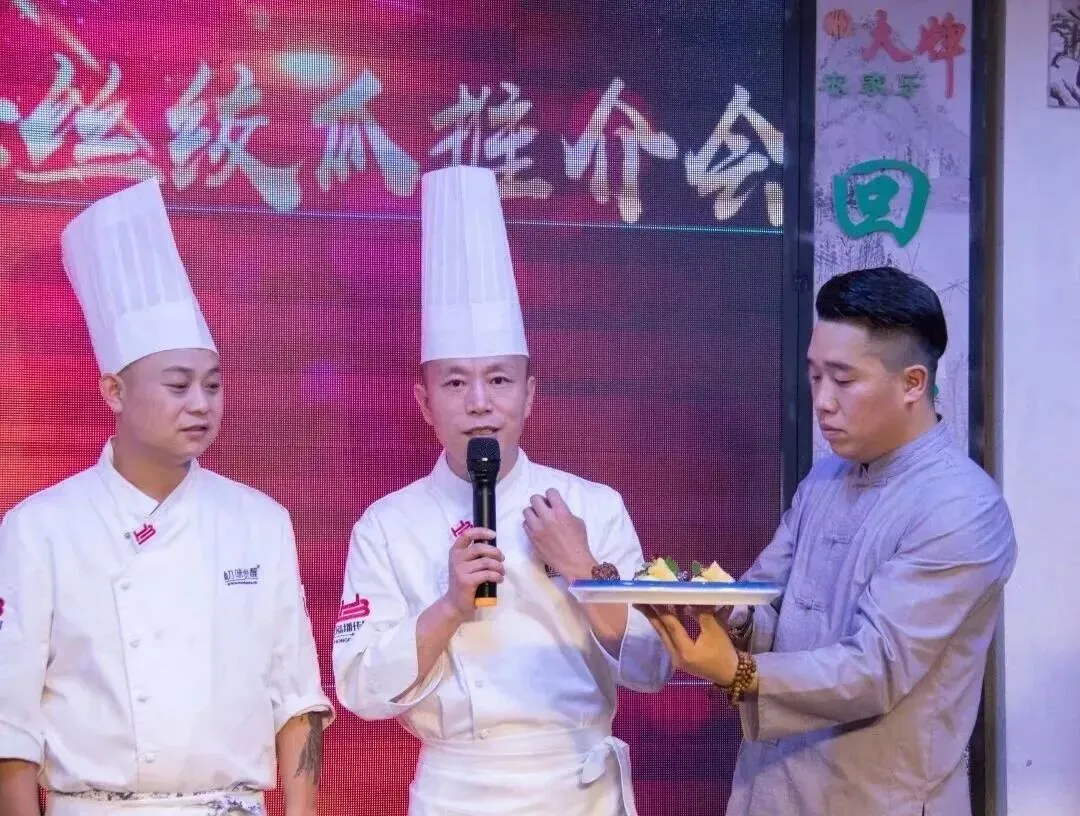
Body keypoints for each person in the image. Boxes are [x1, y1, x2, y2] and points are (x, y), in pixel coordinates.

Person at [332, 165, 672, 816]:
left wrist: (583, 571)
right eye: (456, 383)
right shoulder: (387, 524)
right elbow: (360, 689)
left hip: (579, 788)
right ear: (424, 401)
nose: (480, 404)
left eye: (499, 380)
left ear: (530, 393)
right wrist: (449, 607)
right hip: (455, 789)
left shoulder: (592, 506)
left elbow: (652, 667)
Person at [0, 180, 334, 816]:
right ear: (114, 391)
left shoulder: (259, 522)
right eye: (178, 386)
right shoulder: (40, 528)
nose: (201, 405)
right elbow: (7, 724)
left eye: (213, 385)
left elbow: (297, 701)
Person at [643, 266, 1017, 816]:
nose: (821, 400)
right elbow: (769, 602)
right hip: (771, 788)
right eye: (815, 376)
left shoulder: (962, 507)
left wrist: (737, 672)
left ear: (913, 383)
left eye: (843, 380)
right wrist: (725, 612)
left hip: (877, 799)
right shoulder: (823, 479)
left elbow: (875, 668)